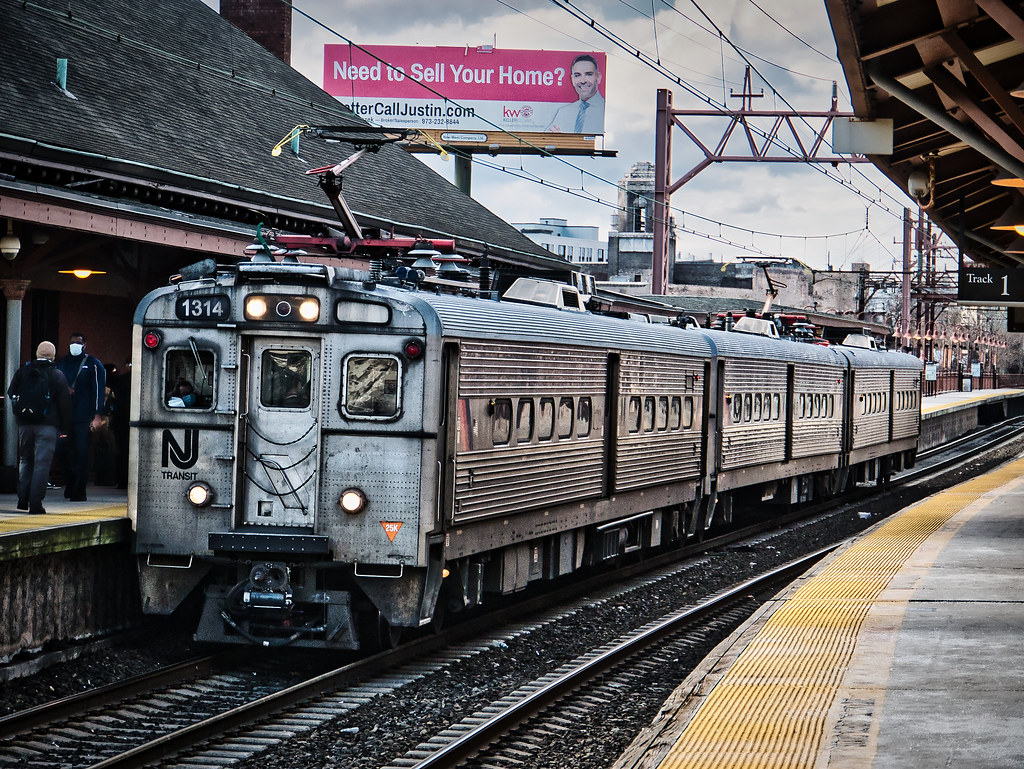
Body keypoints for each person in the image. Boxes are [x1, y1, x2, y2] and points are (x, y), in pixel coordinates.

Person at [7, 342, 72, 514]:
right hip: (47, 425)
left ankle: (22, 499)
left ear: (37, 353)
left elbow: (11, 392)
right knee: (42, 464)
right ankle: (35, 503)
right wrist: (65, 428)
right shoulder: (56, 374)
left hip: (24, 424)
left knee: (25, 460)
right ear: (53, 355)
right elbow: (64, 403)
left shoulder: (22, 371)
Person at [55, 332, 106, 502]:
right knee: (60, 451)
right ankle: (70, 482)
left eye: (78, 342)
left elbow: (99, 390)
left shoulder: (93, 364)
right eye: (72, 342)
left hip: (84, 417)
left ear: (85, 345)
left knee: (82, 453)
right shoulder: (62, 363)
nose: (74, 345)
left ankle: (79, 490)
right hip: (64, 417)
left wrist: (97, 415)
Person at [545, 54, 605, 134]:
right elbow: (546, 138)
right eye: (577, 75)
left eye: (589, 74)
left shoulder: (606, 110)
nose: (583, 81)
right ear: (572, 79)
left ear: (598, 77)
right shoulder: (564, 112)